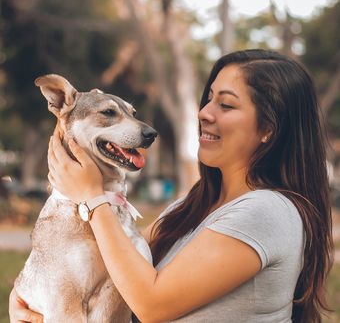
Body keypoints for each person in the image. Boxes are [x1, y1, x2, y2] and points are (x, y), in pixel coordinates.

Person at [9, 49, 333, 323]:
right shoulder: (189, 207)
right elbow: (111, 262)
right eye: (208, 99)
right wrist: (26, 297)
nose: (204, 113)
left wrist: (93, 196)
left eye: (227, 104)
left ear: (269, 130)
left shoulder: (267, 212)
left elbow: (151, 303)